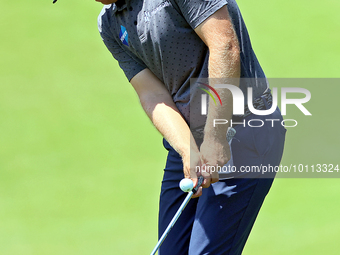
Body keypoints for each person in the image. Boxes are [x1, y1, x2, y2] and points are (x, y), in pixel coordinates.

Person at [97, 0, 286, 254]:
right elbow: (152, 95)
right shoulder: (108, 23)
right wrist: (188, 149)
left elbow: (225, 46)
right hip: (190, 139)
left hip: (244, 131)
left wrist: (215, 136)